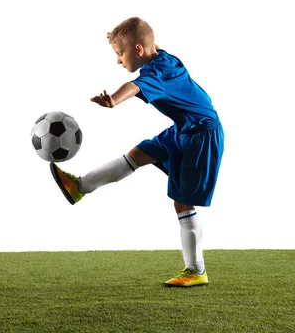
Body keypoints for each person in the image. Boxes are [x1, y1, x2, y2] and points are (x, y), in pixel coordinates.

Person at [50, 17, 224, 288]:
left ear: (139, 49)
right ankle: (79, 187)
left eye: (120, 54)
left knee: (182, 202)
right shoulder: (163, 58)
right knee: (136, 154)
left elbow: (135, 86)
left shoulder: (156, 73)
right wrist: (119, 37)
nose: (119, 61)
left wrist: (114, 100)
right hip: (183, 129)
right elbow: (143, 40)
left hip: (201, 135)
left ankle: (196, 270)